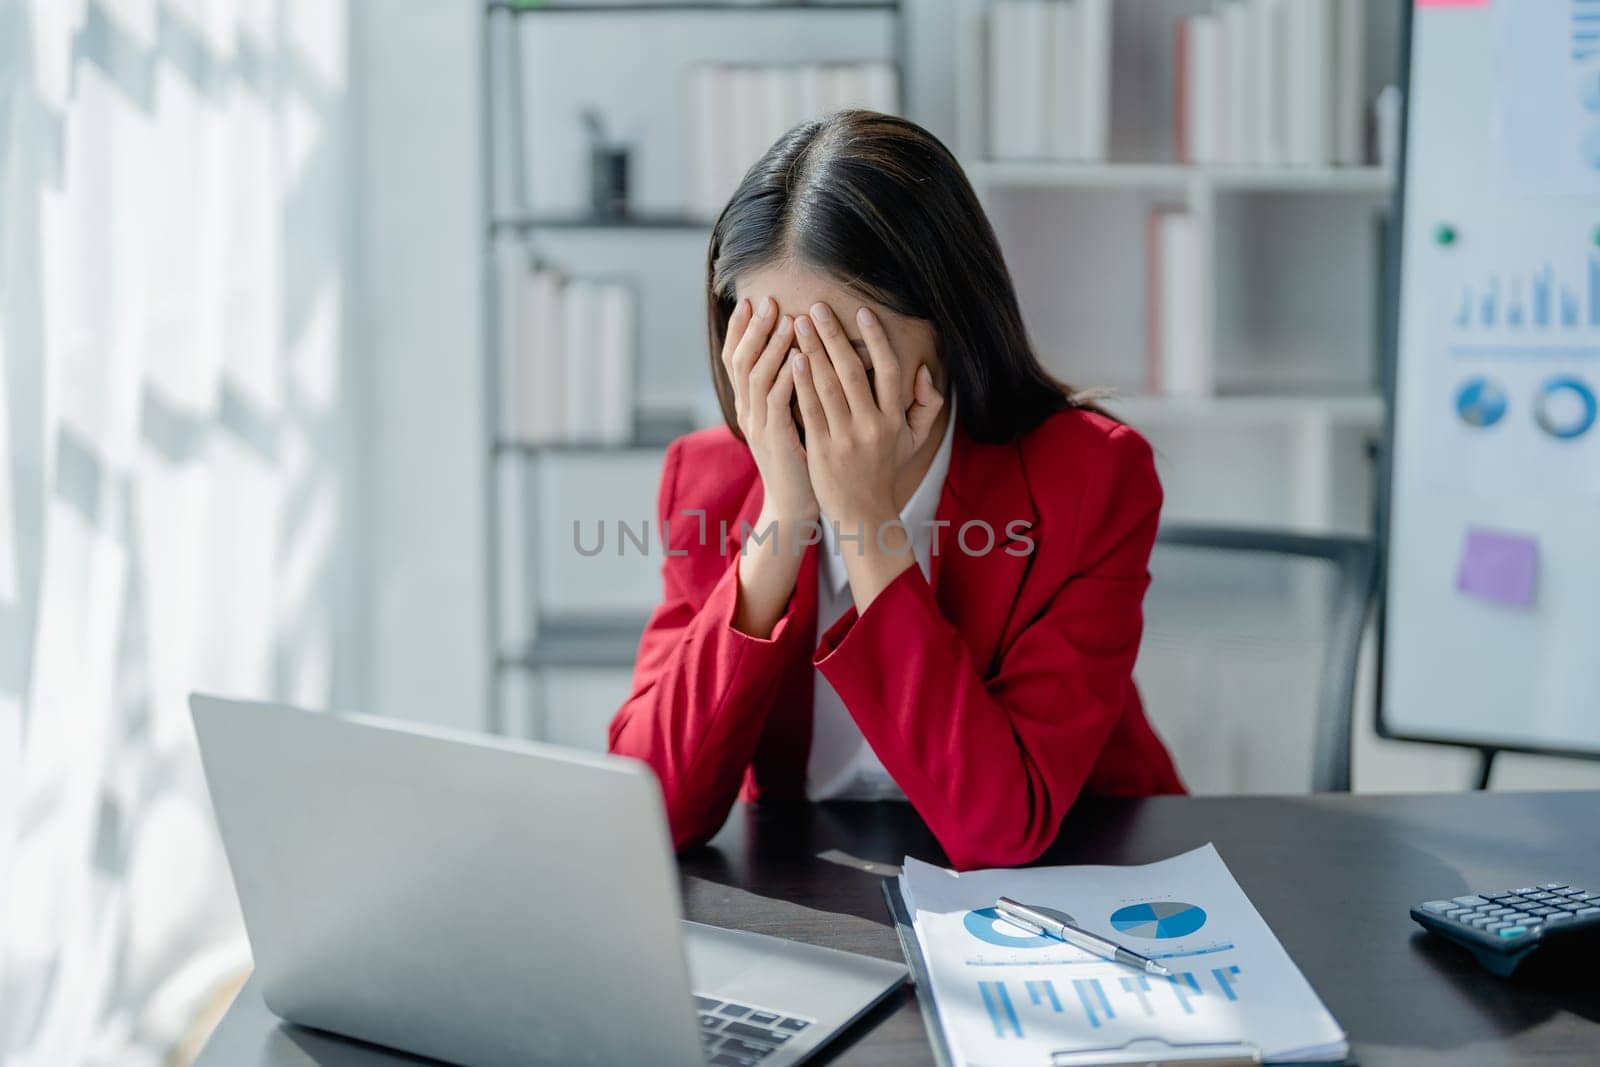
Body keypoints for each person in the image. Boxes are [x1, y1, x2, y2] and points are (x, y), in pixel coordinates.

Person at [608, 110, 1183, 870]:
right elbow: (650, 808)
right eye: (775, 349)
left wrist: (865, 522)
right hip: (815, 881)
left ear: (948, 325)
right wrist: (783, 519)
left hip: (1080, 876)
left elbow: (1003, 825)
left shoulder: (1093, 479)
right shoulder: (709, 482)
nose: (810, 391)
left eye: (845, 352)